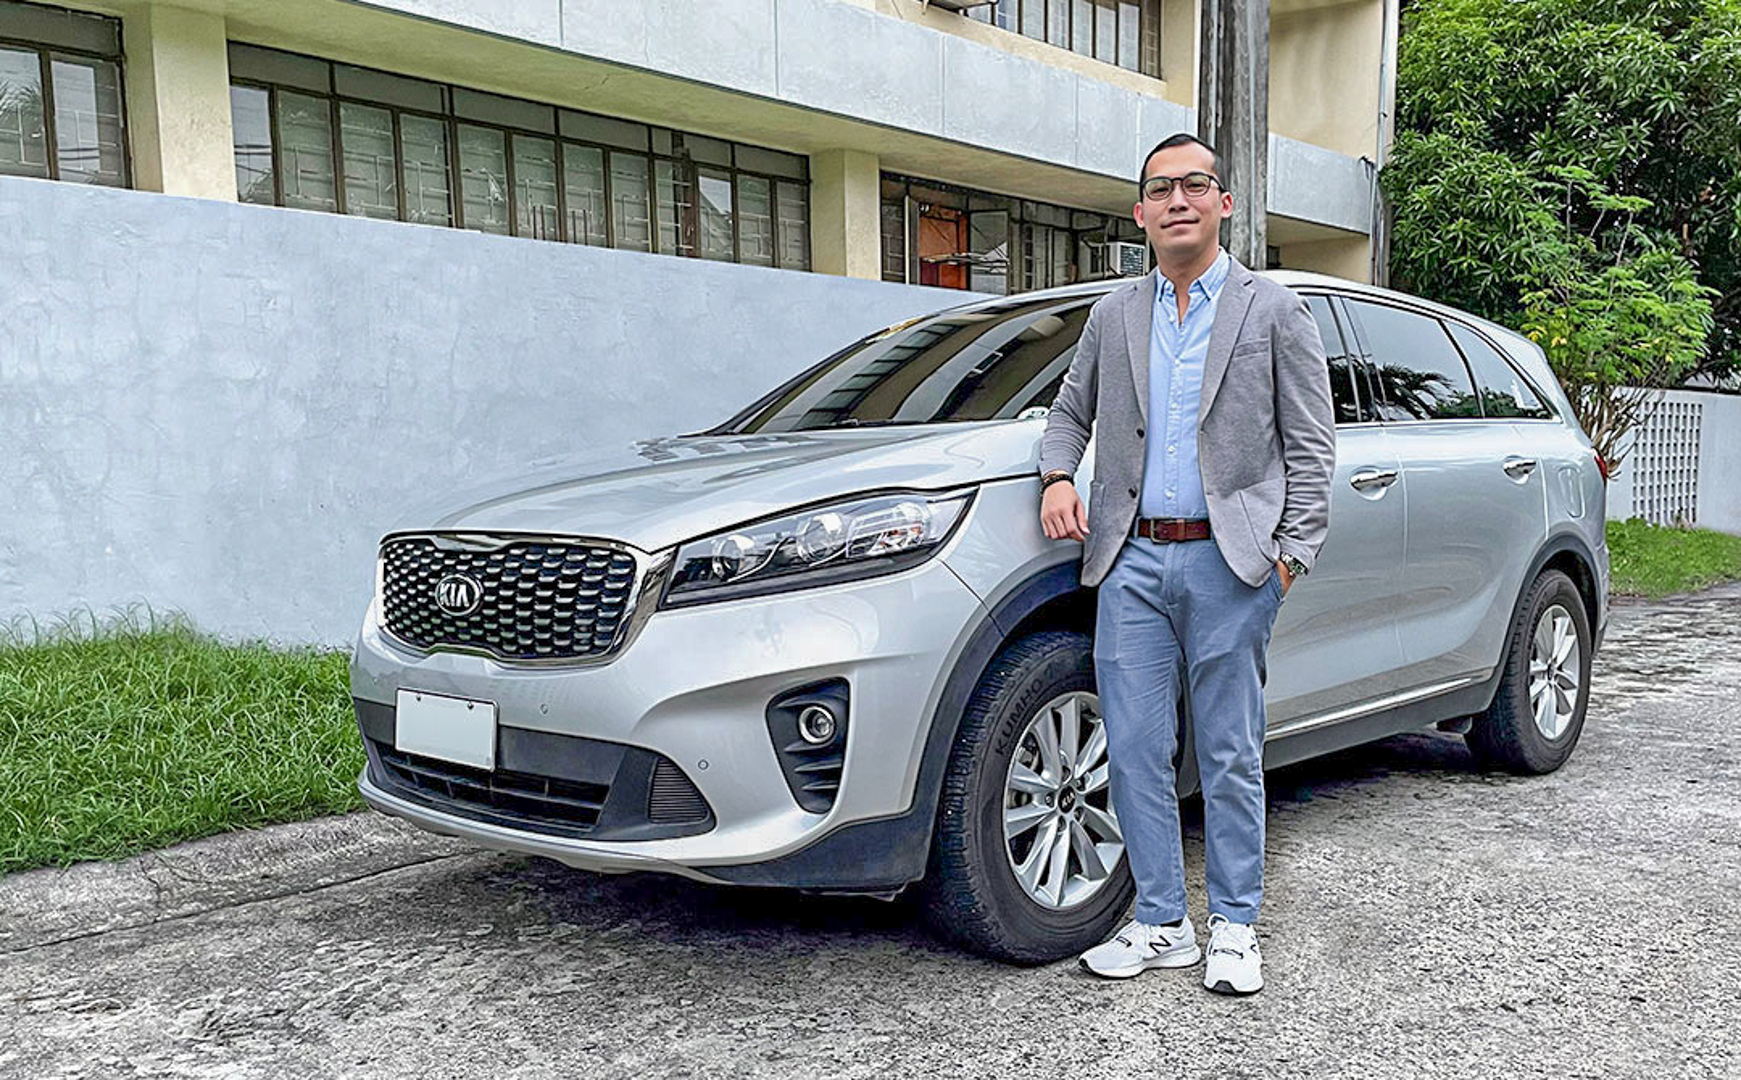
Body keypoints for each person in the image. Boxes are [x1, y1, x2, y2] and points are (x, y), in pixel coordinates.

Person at [1036, 132, 1335, 995]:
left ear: (1223, 203)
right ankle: (1162, 921)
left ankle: (1235, 925)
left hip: (1229, 566)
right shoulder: (1114, 314)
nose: (1177, 200)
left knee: (1229, 751)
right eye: (1160, 188)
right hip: (1129, 560)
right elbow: (1069, 412)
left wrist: (1288, 559)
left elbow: (1310, 445)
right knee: (1133, 750)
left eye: (1195, 185)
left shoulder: (1271, 310)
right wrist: (1056, 476)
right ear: (1139, 213)